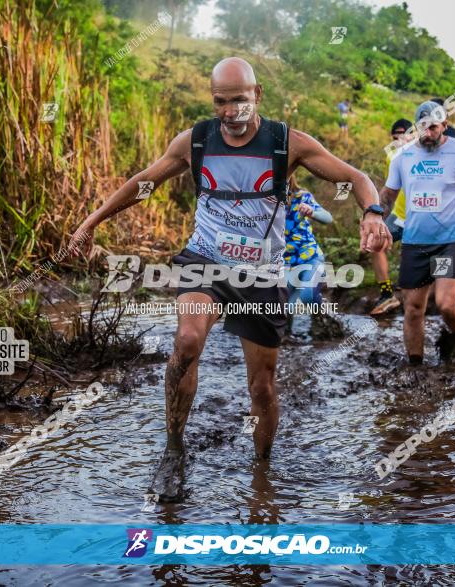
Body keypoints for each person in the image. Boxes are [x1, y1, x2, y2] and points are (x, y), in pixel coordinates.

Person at [71, 57, 390, 502]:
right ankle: (175, 448)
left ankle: (262, 474)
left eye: (239, 100)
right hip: (206, 261)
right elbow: (144, 182)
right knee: (186, 342)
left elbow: (355, 177)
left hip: (262, 275)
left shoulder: (286, 143)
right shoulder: (195, 141)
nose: (231, 111)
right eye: (221, 102)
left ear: (257, 95)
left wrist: (372, 212)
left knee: (261, 384)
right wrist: (92, 221)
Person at [384, 101, 455, 365]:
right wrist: (375, 217)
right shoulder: (403, 157)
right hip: (415, 244)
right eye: (423, 127)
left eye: (433, 127)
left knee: (446, 304)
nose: (428, 133)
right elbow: (388, 193)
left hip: (448, 242)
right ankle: (415, 366)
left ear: (444, 126)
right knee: (413, 309)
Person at [370, 118, 413, 315]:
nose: (399, 138)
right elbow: (390, 190)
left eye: (404, 134)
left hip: (426, 220)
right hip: (401, 216)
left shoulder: (428, 152)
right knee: (375, 243)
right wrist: (377, 216)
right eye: (395, 136)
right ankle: (387, 294)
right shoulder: (393, 157)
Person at [284, 173, 332, 308]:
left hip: (310, 257)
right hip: (285, 264)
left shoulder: (301, 197)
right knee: (283, 309)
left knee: (307, 296)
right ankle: (289, 329)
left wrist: (312, 212)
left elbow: (328, 218)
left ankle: (324, 315)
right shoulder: (265, 202)